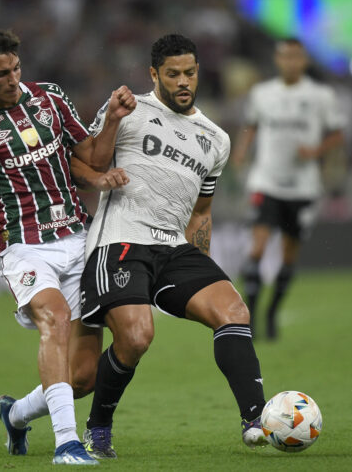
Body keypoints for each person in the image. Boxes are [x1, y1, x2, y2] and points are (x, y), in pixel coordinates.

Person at [0, 26, 135, 466]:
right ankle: (67, 444)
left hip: (79, 238)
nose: (12, 80)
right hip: (24, 247)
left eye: (16, 69)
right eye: (0, 75)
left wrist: (111, 121)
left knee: (82, 376)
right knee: (56, 318)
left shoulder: (49, 98)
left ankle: (15, 414)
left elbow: (92, 157)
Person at [78, 34, 269, 459]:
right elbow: (88, 162)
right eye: (173, 74)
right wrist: (110, 119)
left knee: (234, 311)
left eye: (190, 72)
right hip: (121, 240)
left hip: (173, 246)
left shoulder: (216, 139)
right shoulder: (129, 110)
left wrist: (200, 267)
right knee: (137, 337)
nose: (183, 81)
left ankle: (257, 420)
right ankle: (98, 426)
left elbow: (202, 211)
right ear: (154, 74)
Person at [231, 37, 345, 340]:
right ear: (278, 60)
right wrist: (242, 150)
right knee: (257, 247)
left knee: (289, 255)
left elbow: (337, 134)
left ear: (303, 60)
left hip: (303, 186)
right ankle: (251, 319)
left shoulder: (321, 95)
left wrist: (316, 150)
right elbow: (252, 125)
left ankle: (272, 314)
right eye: (285, 56)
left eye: (296, 57)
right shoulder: (262, 93)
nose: (290, 62)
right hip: (266, 180)